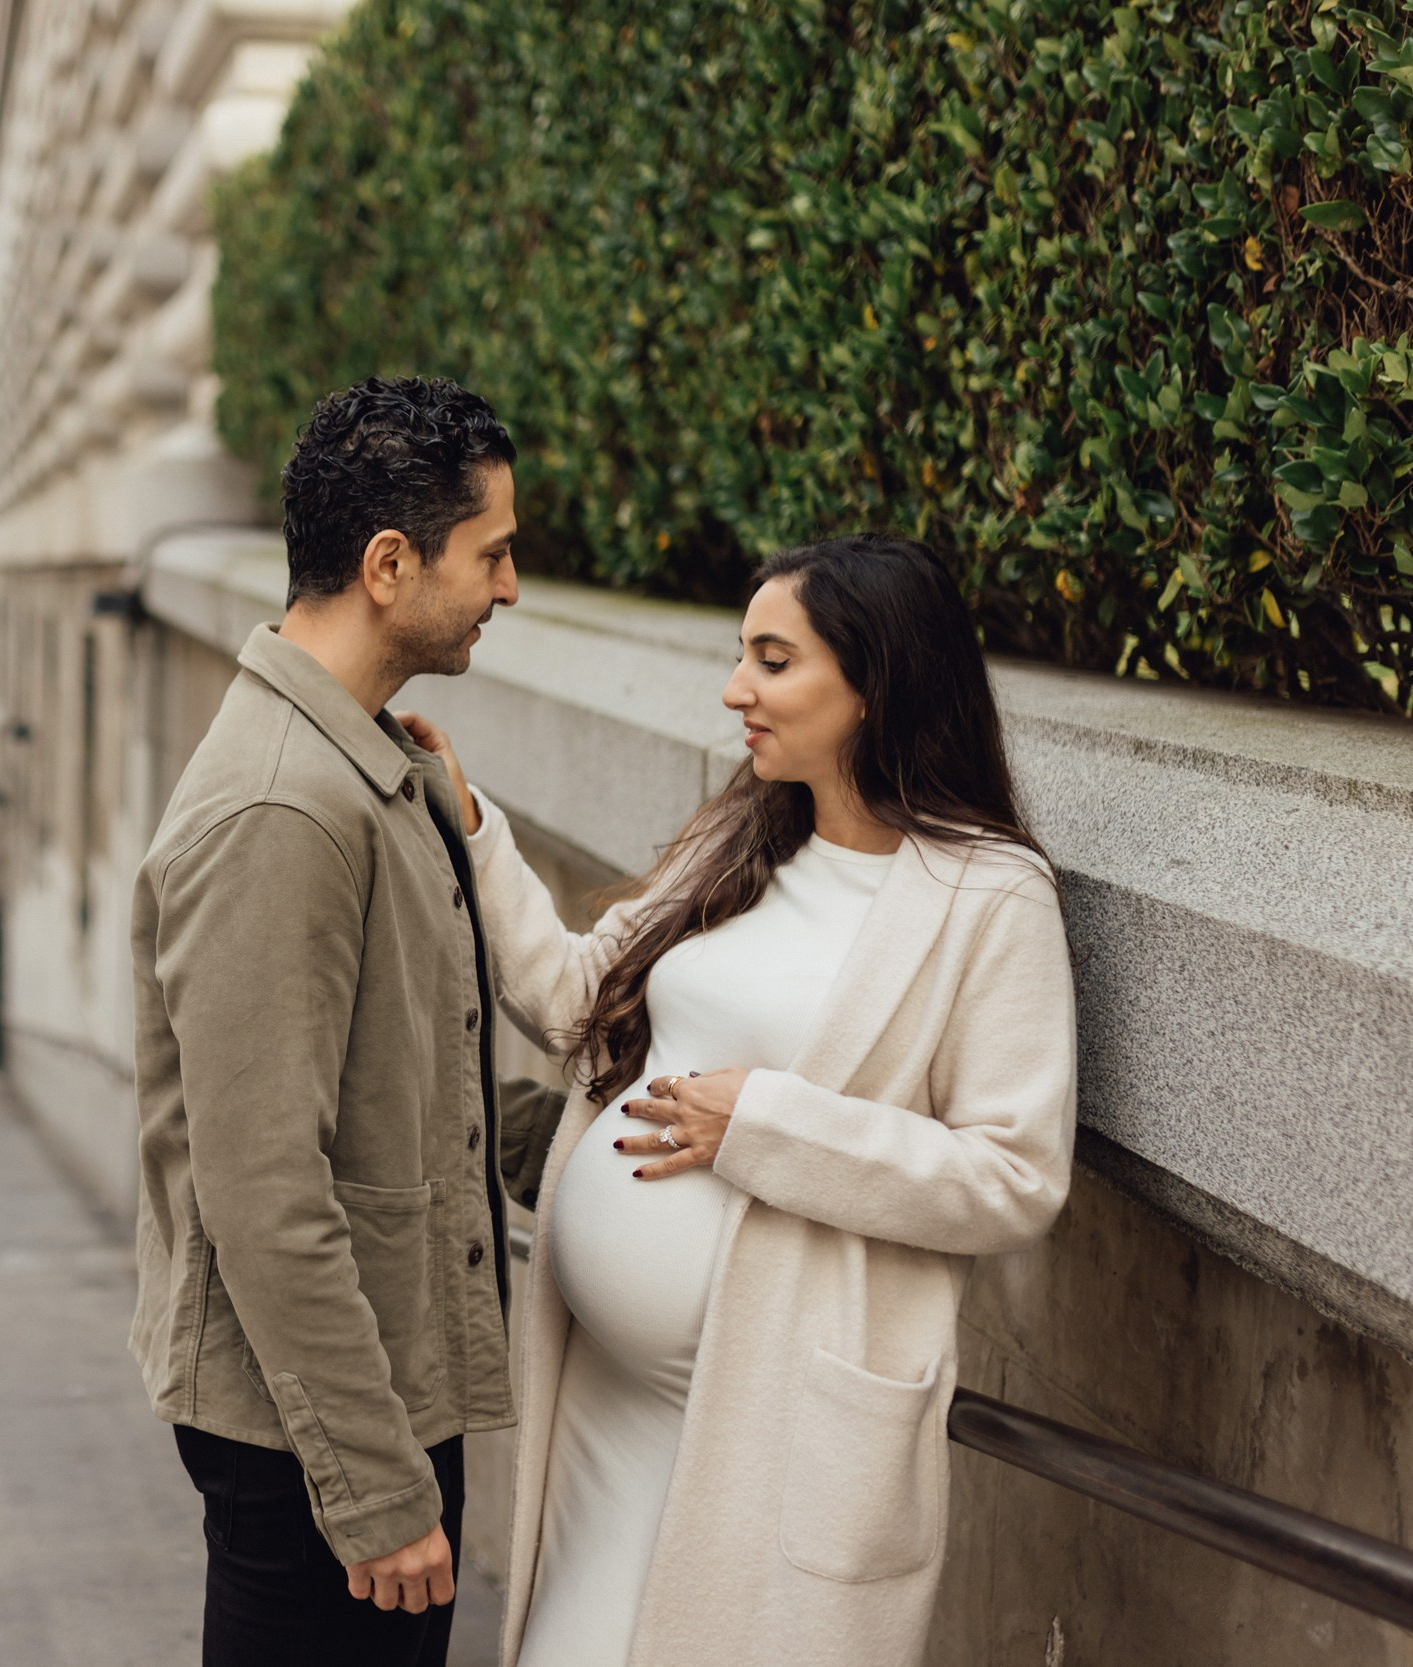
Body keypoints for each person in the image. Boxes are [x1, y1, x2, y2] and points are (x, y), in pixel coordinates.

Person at [401, 534, 1079, 1667]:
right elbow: (578, 1002)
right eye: (740, 656)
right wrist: (474, 830)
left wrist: (763, 1126)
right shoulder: (742, 837)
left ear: (874, 686)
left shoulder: (988, 899)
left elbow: (1013, 1178)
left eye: (772, 660)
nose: (736, 691)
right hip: (605, 1399)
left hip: (769, 1422)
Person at [130, 376, 564, 1666]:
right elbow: (264, 1190)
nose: (509, 587)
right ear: (389, 564)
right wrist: (376, 1489)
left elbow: (424, 1081)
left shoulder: (368, 769)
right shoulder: (286, 809)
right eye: (491, 553)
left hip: (365, 1383)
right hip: (313, 1428)